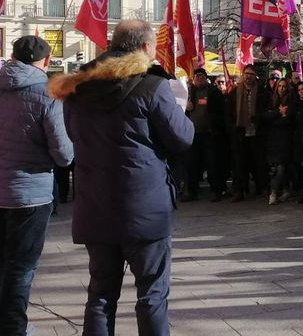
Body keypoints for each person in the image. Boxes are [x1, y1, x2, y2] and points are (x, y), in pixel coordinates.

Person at [48, 20, 194, 335]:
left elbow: (74, 136)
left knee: (100, 293)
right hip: (146, 208)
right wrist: (181, 108)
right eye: (154, 46)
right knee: (152, 294)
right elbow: (182, 138)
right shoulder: (152, 87)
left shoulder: (79, 89)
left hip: (95, 204)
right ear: (144, 47)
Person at [0, 35, 74, 335]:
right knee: (20, 267)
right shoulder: (47, 94)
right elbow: (64, 154)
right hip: (28, 196)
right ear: (45, 61)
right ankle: (14, 330)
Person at [227, 65, 269, 202]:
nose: (248, 76)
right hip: (240, 132)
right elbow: (229, 113)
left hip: (257, 131)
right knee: (239, 163)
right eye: (246, 73)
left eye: (251, 74)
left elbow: (266, 110)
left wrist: (258, 118)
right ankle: (239, 190)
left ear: (255, 76)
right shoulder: (234, 92)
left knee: (259, 162)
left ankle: (262, 188)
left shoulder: (262, 92)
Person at [183, 68, 225, 202]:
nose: (199, 78)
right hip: (193, 134)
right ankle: (191, 191)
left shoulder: (213, 92)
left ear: (206, 78)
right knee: (192, 164)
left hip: (209, 134)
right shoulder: (189, 92)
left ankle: (216, 190)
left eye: (201, 75)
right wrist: (185, 105)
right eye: (196, 76)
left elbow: (220, 112)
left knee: (212, 163)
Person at [264, 79, 294, 205]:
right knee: (278, 167)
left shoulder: (292, 101)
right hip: (273, 140)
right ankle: (285, 189)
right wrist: (278, 113)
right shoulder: (272, 100)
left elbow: (289, 120)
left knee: (281, 167)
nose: (282, 88)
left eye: (284, 86)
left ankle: (274, 192)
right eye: (279, 86)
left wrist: (275, 119)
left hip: (286, 139)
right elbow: (265, 117)